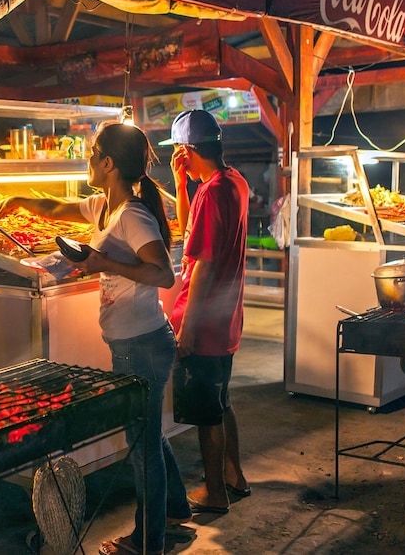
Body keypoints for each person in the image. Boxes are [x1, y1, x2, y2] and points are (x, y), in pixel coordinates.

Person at [0, 121, 192, 555]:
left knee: (141, 444)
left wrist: (104, 262)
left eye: (91, 154)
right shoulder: (104, 206)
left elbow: (163, 273)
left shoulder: (133, 215)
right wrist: (18, 200)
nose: (87, 160)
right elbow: (56, 205)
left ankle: (148, 541)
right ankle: (176, 508)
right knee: (147, 433)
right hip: (131, 342)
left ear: (108, 163)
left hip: (143, 344)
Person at [165, 109, 251, 513]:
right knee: (221, 402)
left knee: (206, 415)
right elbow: (190, 232)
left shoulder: (212, 192)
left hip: (205, 323)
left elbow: (200, 264)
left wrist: (187, 331)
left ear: (186, 149)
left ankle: (214, 492)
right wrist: (182, 184)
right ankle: (234, 475)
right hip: (227, 318)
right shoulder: (233, 182)